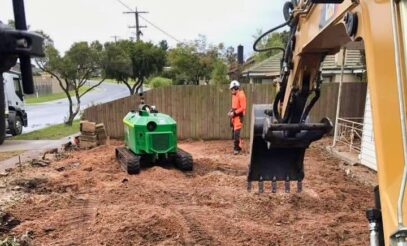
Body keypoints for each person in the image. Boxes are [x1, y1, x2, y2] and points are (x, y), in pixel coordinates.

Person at [227, 80, 246, 155]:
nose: (231, 91)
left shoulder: (241, 95)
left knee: (236, 134)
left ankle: (236, 149)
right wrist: (230, 111)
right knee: (234, 134)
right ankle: (239, 144)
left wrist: (234, 113)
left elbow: (243, 108)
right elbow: (234, 106)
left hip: (239, 116)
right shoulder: (234, 95)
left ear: (235, 88)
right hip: (233, 116)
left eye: (232, 89)